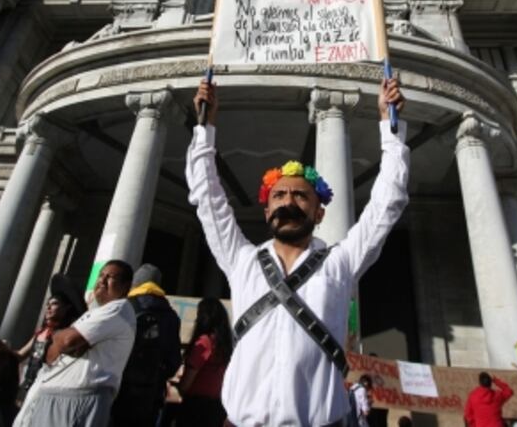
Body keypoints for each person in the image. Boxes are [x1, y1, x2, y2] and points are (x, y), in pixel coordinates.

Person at [186, 76, 409, 425]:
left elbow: (388, 202)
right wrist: (205, 125)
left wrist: (390, 127)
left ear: (319, 212)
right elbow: (207, 198)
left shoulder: (341, 263)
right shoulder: (241, 260)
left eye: (300, 196)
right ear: (266, 211)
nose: (288, 202)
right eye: (279, 196)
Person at [14, 260, 137, 427]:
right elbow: (50, 355)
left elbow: (67, 341)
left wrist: (59, 338)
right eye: (101, 275)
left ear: (126, 286)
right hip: (53, 397)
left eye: (110, 277)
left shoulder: (118, 308)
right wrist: (62, 340)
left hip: (76, 401)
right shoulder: (96, 313)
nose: (102, 280)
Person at [111, 263, 181, 427]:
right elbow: (174, 361)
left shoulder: (123, 307)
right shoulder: (171, 316)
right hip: (150, 392)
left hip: (118, 388)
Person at [0, 274, 85, 395]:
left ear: (67, 308)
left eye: (54, 304)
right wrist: (1, 346)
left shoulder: (66, 335)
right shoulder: (40, 332)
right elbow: (19, 356)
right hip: (27, 387)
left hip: (47, 388)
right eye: (48, 304)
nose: (49, 307)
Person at [175, 297, 232, 427]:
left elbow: (185, 385)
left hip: (196, 409)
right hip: (218, 407)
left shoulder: (204, 343)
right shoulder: (225, 345)